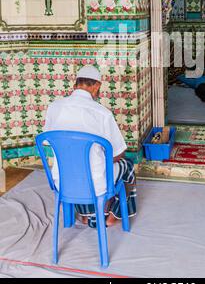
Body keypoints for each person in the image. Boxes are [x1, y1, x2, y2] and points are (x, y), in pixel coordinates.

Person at [44, 65, 136, 228]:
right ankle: (112, 216)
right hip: (97, 184)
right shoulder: (102, 113)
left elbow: (47, 141)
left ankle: (86, 215)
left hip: (62, 181)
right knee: (127, 165)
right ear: (97, 86)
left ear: (75, 85)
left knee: (78, 169)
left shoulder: (54, 107)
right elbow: (119, 152)